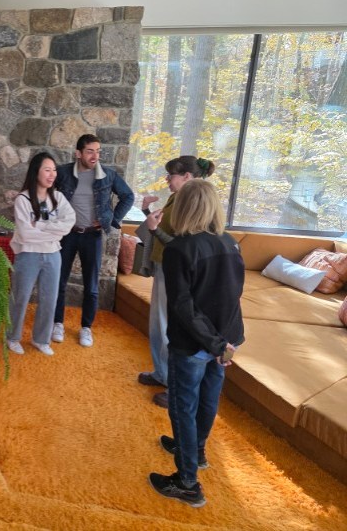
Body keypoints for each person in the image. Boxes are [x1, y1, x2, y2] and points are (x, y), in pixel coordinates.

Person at [148, 179, 245, 508]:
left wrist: (218, 344)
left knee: (183, 409)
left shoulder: (179, 249)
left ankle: (188, 482)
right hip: (222, 342)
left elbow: (183, 307)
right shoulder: (231, 243)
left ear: (186, 207)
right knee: (207, 401)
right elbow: (234, 299)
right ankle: (196, 451)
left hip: (193, 345)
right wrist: (226, 344)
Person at [139, 156, 216, 409]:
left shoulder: (194, 205)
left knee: (167, 325)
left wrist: (152, 229)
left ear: (187, 177)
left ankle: (173, 384)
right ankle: (162, 373)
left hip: (176, 270)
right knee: (157, 323)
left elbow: (184, 247)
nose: (167, 180)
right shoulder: (176, 199)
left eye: (171, 175)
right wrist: (146, 213)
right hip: (165, 265)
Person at [52, 134, 134, 347]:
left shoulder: (108, 175)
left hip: (92, 235)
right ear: (78, 153)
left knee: (91, 286)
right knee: (59, 280)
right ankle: (57, 323)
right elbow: (46, 194)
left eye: (98, 151)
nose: (95, 155)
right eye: (90, 151)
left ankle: (86, 328)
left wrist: (113, 219)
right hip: (67, 234)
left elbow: (128, 196)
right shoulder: (62, 173)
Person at [6, 152, 75, 356]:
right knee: (20, 296)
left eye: (54, 170)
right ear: (36, 172)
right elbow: (26, 234)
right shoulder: (23, 199)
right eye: (47, 169)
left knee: (49, 298)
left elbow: (69, 222)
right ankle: (12, 337)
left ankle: (41, 339)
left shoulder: (58, 197)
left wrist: (42, 226)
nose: (52, 174)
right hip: (28, 254)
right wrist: (53, 230)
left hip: (53, 254)